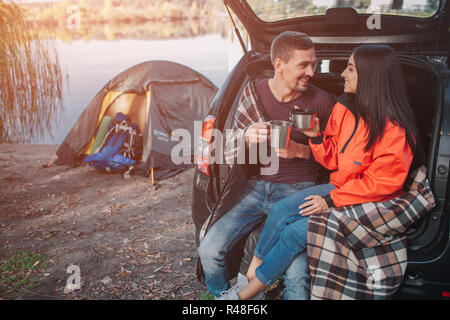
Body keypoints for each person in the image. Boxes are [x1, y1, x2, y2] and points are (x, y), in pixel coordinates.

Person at [220, 44, 420, 300]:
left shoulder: (395, 131)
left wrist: (330, 201)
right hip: (341, 188)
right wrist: (315, 137)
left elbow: (380, 185)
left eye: (350, 69)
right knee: (281, 211)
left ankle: (241, 297)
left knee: (293, 233)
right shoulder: (345, 109)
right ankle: (250, 278)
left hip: (370, 203)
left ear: (371, 76)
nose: (343, 75)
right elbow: (334, 159)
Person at [197, 31, 335, 300]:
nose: (312, 72)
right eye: (303, 65)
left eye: (314, 64)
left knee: (297, 275)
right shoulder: (253, 93)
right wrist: (246, 136)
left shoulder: (322, 102)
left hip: (299, 191)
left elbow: (336, 158)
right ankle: (225, 297)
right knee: (208, 250)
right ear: (279, 65)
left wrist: (301, 151)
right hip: (256, 186)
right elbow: (220, 146)